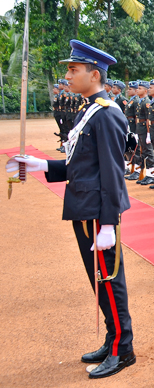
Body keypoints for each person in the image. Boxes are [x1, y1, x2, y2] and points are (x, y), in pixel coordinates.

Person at [6, 40, 135, 378]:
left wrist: (108, 223)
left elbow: (111, 171)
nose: (67, 75)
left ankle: (124, 349)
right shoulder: (87, 109)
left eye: (73, 70)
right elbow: (80, 165)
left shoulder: (107, 113)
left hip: (98, 213)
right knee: (98, 279)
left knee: (109, 278)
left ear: (94, 75)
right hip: (82, 205)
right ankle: (113, 336)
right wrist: (41, 165)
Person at [135, 80, 154, 185]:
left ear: (145, 90)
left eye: (139, 88)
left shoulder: (147, 102)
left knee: (149, 151)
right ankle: (146, 173)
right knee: (143, 151)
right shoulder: (141, 101)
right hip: (141, 128)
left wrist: (148, 133)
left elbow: (148, 118)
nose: (137, 90)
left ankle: (152, 175)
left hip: (145, 128)